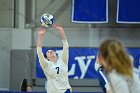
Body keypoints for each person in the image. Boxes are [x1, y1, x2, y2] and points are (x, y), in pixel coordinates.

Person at [37, 24, 71, 93]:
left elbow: (66, 47)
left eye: (52, 51)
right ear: (47, 58)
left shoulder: (63, 61)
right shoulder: (46, 65)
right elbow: (39, 53)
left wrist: (61, 30)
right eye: (48, 52)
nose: (50, 51)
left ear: (56, 54)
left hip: (65, 91)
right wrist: (40, 36)